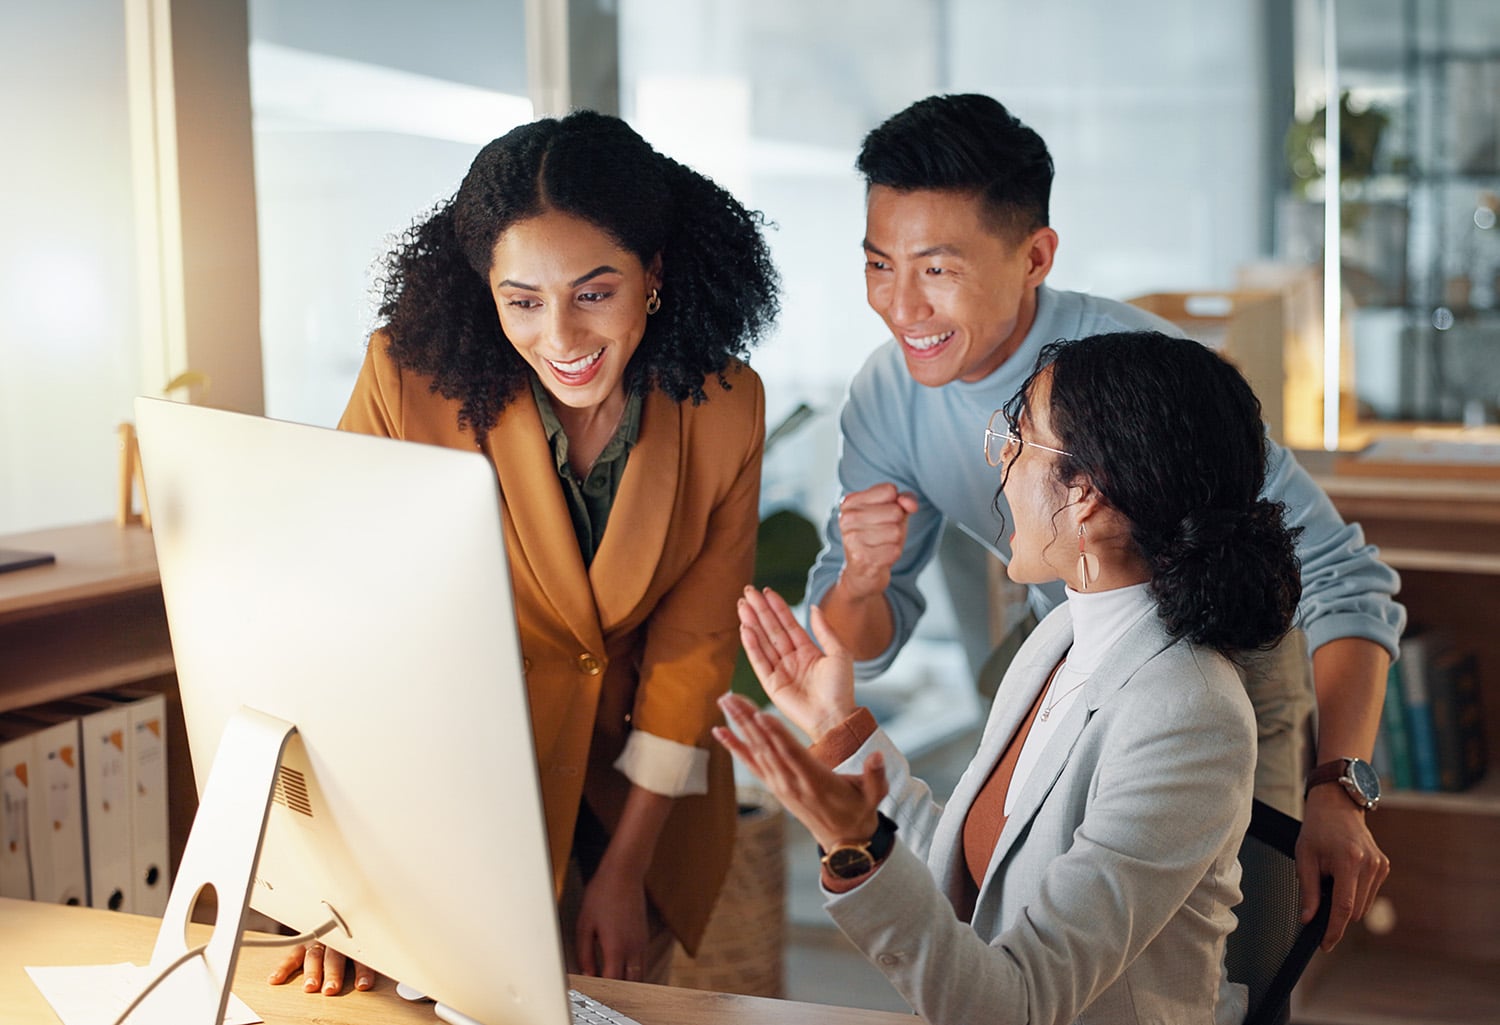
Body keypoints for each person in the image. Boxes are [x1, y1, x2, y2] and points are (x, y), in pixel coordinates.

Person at [806, 93, 1400, 947]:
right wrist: (862, 580)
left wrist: (1338, 787)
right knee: (1040, 934)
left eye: (936, 269)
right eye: (877, 265)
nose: (902, 307)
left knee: (1229, 958)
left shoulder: (1146, 380)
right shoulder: (885, 395)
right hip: (1069, 657)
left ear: (1036, 255)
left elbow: (1342, 574)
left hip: (1228, 668)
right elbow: (864, 636)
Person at [269, 110, 779, 994]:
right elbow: (351, 631)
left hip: (635, 809)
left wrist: (622, 870)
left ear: (652, 275)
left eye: (594, 292)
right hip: (442, 805)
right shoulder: (403, 382)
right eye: (523, 300)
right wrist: (337, 883)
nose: (562, 337)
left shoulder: (724, 404)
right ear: (486, 291)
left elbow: (693, 650)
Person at [720, 330, 1302, 1024]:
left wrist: (860, 848)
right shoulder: (1058, 636)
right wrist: (835, 725)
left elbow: (1015, 1005)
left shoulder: (1190, 713)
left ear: (1085, 492)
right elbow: (962, 877)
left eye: (1019, 437)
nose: (1000, 460)